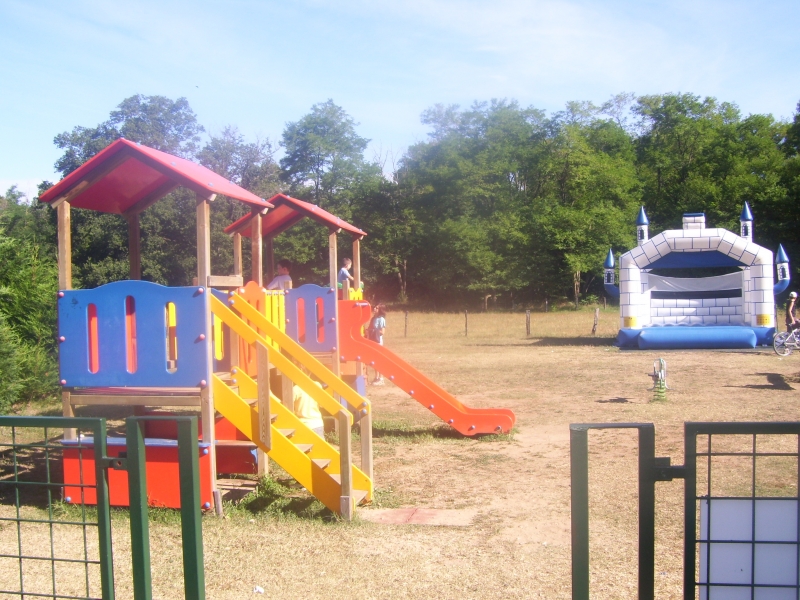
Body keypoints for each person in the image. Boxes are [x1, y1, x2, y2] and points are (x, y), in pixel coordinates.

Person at [368, 304, 387, 385]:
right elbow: (369, 328)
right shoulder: (373, 319)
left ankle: (381, 378)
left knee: (379, 360)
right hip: (372, 341)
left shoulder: (381, 319)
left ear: (380, 310)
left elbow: (382, 332)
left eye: (376, 308)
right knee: (374, 360)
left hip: (378, 341)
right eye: (374, 307)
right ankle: (376, 377)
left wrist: (373, 331)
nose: (374, 308)